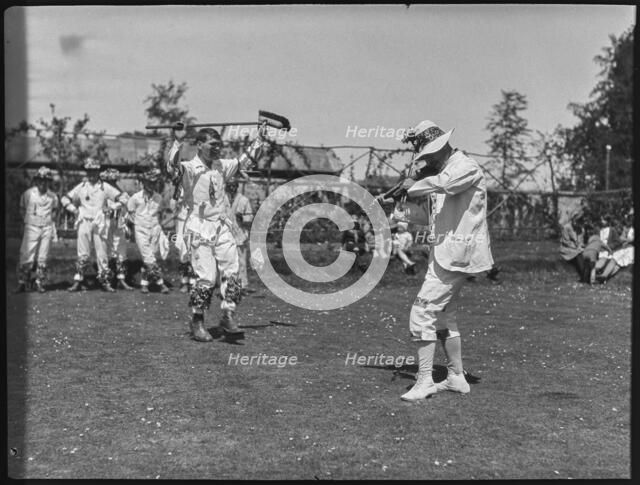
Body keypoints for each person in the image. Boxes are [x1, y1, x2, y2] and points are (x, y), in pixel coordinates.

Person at [396, 120, 494, 402]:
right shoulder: (442, 172)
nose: (426, 160)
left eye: (428, 155)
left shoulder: (465, 167)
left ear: (440, 148)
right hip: (443, 255)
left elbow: (445, 185)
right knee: (442, 315)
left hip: (457, 256)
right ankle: (455, 377)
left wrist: (413, 184)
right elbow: (433, 218)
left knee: (421, 313)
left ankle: (425, 380)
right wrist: (397, 211)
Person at [167, 122, 268, 342]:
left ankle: (228, 315)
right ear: (200, 145)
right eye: (212, 144)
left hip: (222, 226)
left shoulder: (222, 165)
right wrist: (177, 140)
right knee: (206, 278)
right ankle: (197, 321)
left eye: (219, 145)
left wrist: (259, 139)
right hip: (198, 226)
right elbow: (172, 166)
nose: (216, 148)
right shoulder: (190, 167)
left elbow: (247, 160)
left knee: (233, 271)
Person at [61, 157, 128, 292]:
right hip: (84, 221)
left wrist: (112, 207)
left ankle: (105, 281)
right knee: (83, 253)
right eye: (88, 171)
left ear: (98, 172)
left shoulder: (105, 187)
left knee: (102, 252)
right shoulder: (81, 186)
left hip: (100, 223)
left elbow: (124, 198)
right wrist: (73, 209)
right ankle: (79, 280)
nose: (91, 174)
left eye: (94, 171)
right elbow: (64, 198)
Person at [16, 166, 59, 293]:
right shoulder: (28, 194)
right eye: (40, 180)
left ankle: (39, 282)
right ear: (36, 181)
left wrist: (50, 223)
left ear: (49, 182)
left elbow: (55, 211)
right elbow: (22, 208)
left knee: (43, 255)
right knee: (26, 254)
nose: (42, 182)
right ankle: (23, 282)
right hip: (31, 226)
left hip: (46, 227)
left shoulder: (53, 196)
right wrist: (27, 221)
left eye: (45, 180)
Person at [127, 168, 171, 294]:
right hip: (140, 230)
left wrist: (160, 231)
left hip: (155, 229)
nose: (152, 185)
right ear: (144, 183)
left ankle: (144, 284)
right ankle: (161, 283)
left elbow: (160, 215)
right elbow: (130, 216)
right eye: (149, 182)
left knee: (151, 258)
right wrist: (130, 232)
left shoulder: (159, 198)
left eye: (154, 183)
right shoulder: (135, 198)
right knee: (149, 258)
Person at [100, 168, 134, 291]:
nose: (112, 184)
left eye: (114, 181)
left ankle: (122, 278)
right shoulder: (102, 193)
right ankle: (108, 279)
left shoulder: (121, 193)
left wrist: (114, 206)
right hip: (106, 224)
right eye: (109, 181)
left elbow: (127, 201)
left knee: (121, 250)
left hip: (118, 224)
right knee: (107, 250)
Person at [225, 179, 255, 294]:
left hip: (240, 235)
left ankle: (243, 285)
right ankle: (228, 285)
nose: (232, 188)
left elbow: (250, 218)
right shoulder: (222, 199)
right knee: (227, 262)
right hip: (225, 235)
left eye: (234, 185)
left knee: (241, 262)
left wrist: (242, 218)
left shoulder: (243, 200)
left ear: (237, 186)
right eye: (229, 185)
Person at [597, 210, 634, 283]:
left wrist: (628, 240)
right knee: (614, 259)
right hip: (625, 247)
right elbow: (621, 238)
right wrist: (627, 240)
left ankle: (605, 277)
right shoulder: (628, 228)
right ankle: (603, 276)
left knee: (620, 263)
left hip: (632, 249)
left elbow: (629, 239)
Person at [559, 213, 585, 280]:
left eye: (578, 222)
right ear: (573, 220)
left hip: (577, 248)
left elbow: (581, 241)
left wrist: (580, 246)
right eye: (575, 221)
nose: (576, 224)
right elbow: (566, 241)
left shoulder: (581, 229)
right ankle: (583, 275)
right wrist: (576, 247)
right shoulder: (566, 227)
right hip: (567, 248)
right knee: (578, 254)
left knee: (583, 254)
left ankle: (585, 275)